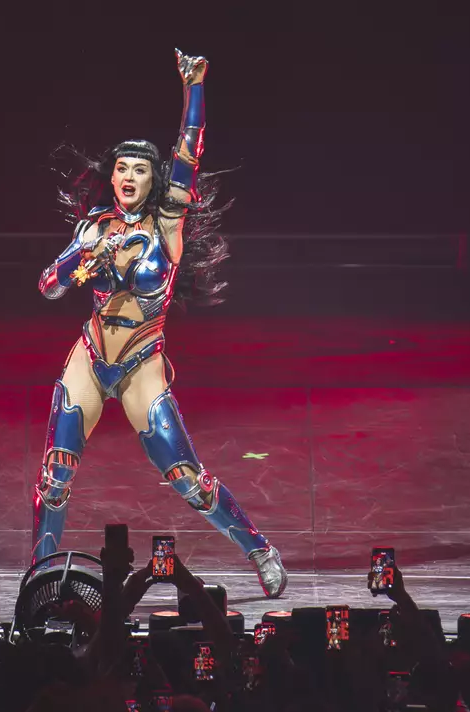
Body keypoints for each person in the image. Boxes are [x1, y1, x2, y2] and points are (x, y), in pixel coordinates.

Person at [32, 49, 287, 598]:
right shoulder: (93, 227)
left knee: (187, 479)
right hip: (91, 355)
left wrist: (194, 88)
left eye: (139, 169)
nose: (128, 176)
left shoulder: (166, 223)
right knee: (55, 477)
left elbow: (188, 151)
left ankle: (260, 550)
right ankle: (40, 580)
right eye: (121, 168)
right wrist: (86, 257)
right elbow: (49, 286)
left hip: (141, 360)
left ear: (154, 180)